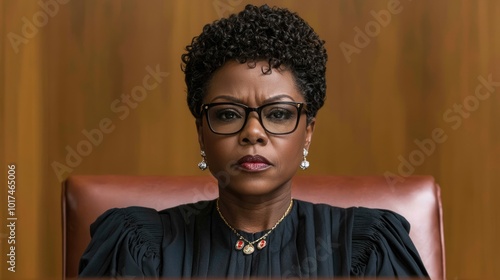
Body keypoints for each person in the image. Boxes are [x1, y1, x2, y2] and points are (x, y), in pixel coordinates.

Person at [79, 4, 429, 278]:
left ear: (307, 132)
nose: (253, 132)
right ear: (201, 132)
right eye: (228, 114)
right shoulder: (139, 244)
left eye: (277, 114)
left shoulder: (365, 247)